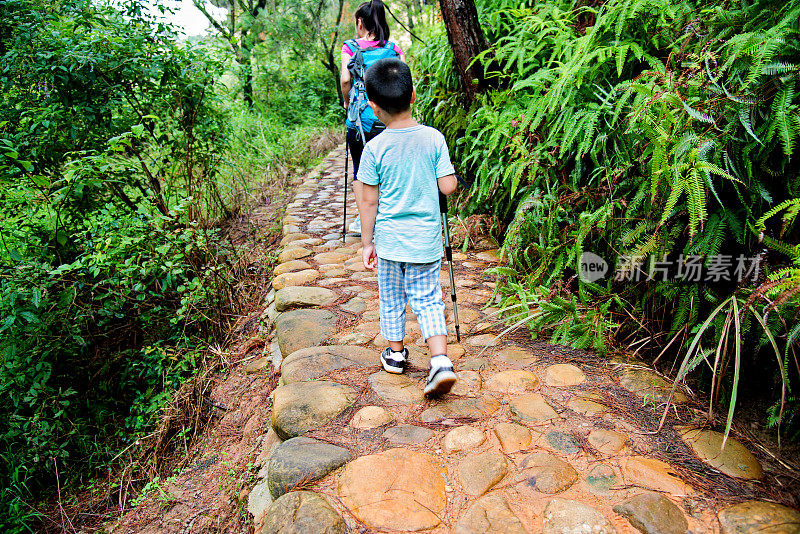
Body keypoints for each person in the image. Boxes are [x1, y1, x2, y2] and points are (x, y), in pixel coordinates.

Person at [357, 58, 458, 397]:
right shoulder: (433, 138)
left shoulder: (373, 149)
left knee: (391, 298)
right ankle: (441, 361)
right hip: (426, 240)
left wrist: (367, 243)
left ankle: (397, 354)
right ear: (413, 95)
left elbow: (369, 201)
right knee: (428, 299)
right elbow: (448, 187)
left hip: (390, 242)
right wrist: (447, 177)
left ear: (373, 107)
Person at [340, 0, 404, 236]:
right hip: (390, 118)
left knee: (360, 171)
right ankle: (389, 216)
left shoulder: (350, 47)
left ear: (360, 23)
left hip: (360, 120)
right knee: (389, 168)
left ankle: (365, 221)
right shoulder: (394, 49)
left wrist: (347, 103)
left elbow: (346, 80)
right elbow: (405, 82)